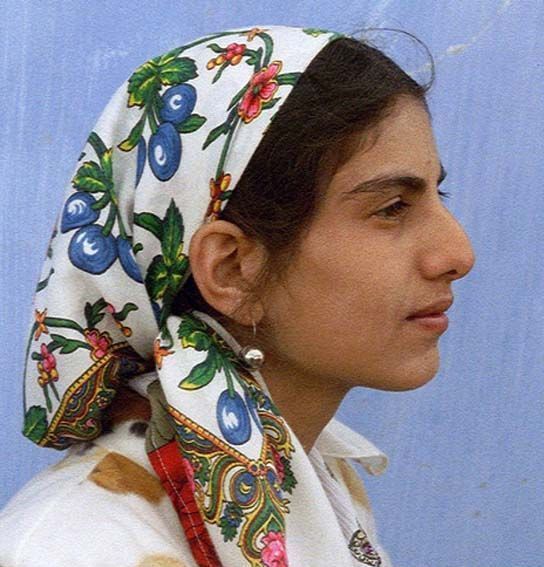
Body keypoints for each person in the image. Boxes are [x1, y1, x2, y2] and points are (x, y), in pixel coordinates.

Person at [0, 24, 475, 566]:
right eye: (391, 208)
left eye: (439, 193)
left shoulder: (314, 482)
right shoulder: (75, 549)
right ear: (232, 270)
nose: (457, 253)